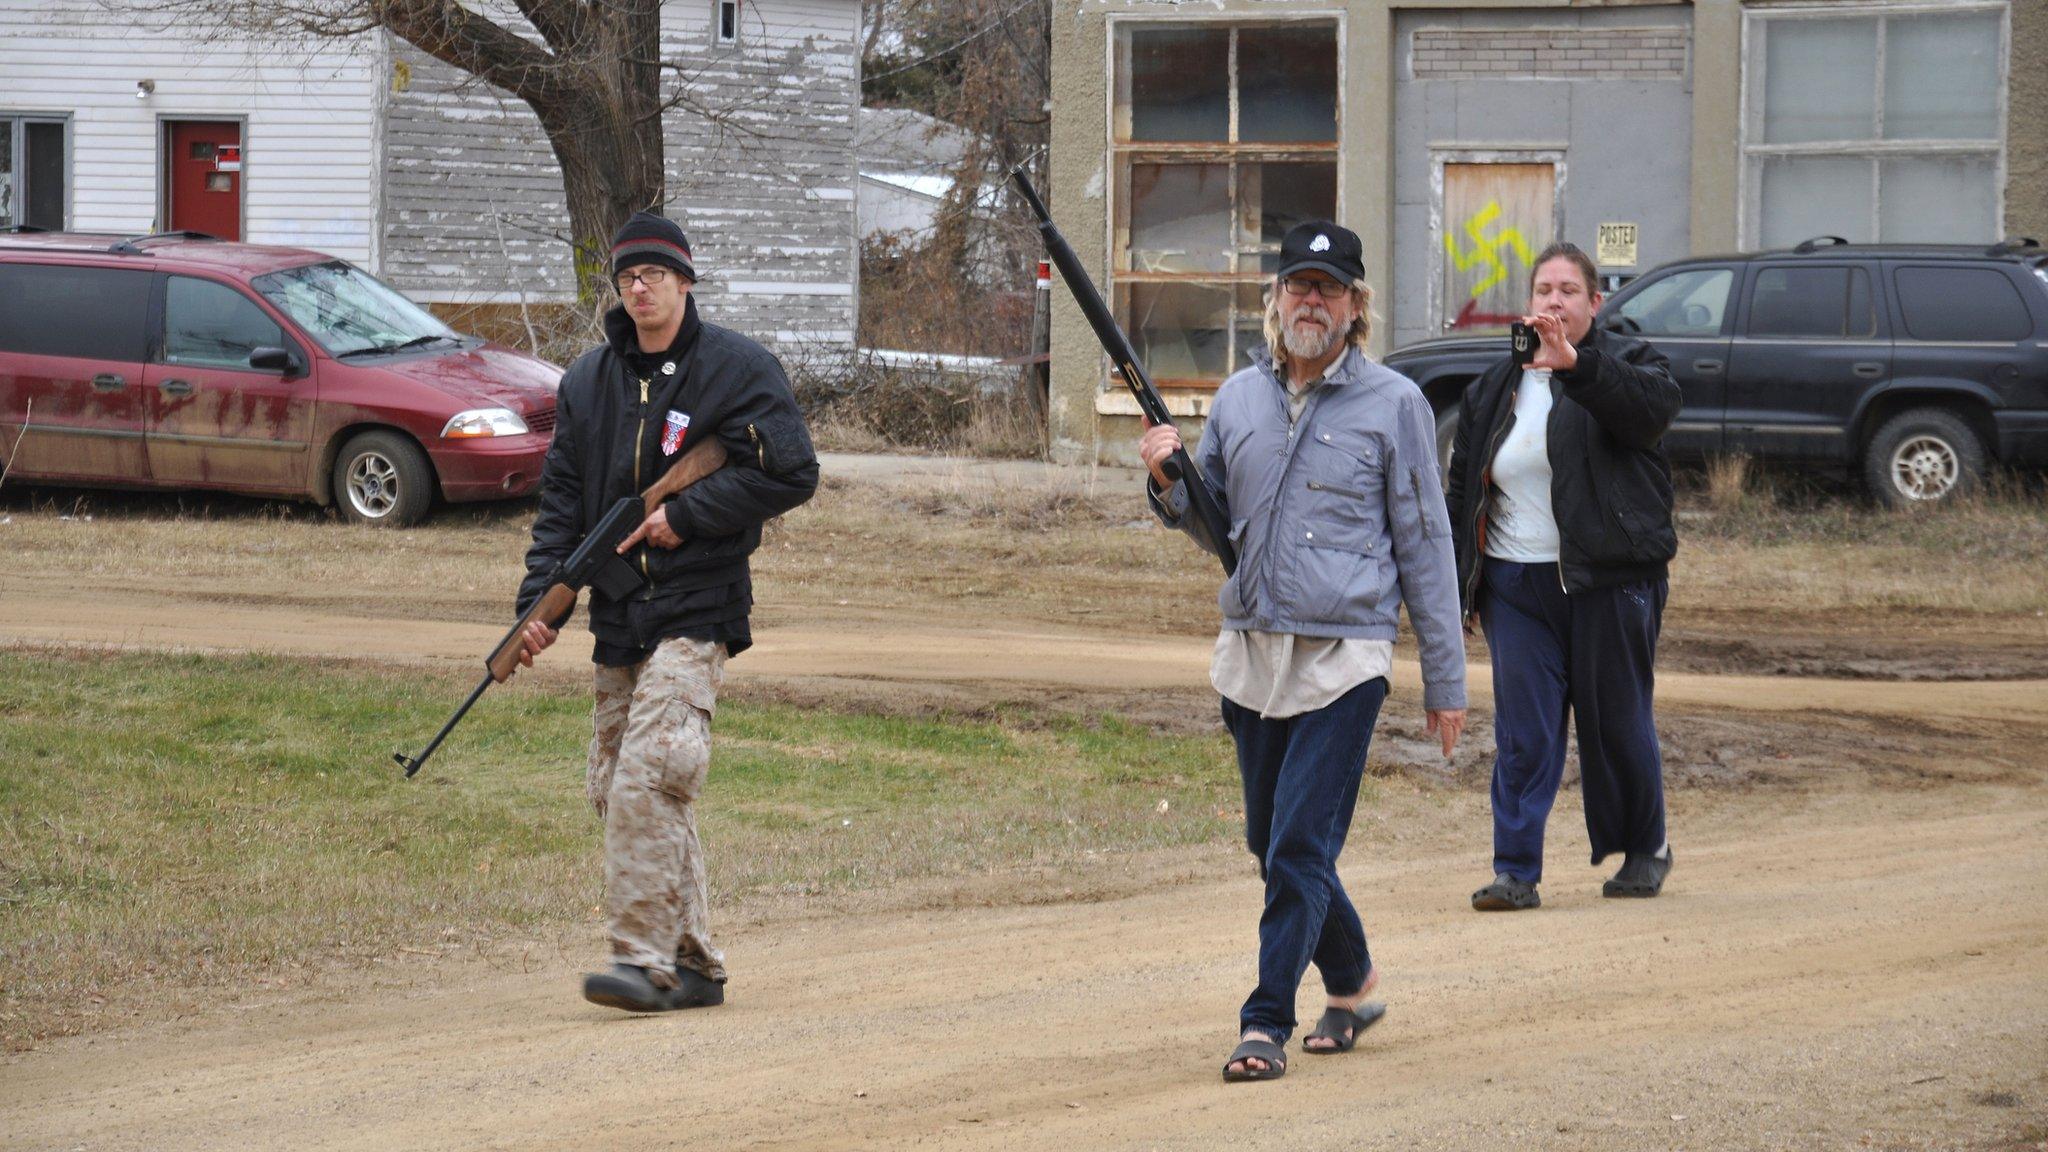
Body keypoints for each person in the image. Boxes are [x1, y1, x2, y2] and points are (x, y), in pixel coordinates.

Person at [1141, 221, 1467, 1083]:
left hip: (1345, 660)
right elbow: (1206, 524)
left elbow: (1428, 546)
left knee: (1295, 850)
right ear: (1274, 299)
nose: (1310, 300)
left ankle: (1264, 1023)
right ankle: (1355, 983)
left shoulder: (1395, 403)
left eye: (1329, 287)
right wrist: (1167, 480)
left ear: (1356, 307)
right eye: (1298, 284)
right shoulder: (1237, 399)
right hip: (1251, 652)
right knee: (1273, 840)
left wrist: (1445, 680)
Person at [514, 210, 819, 1011]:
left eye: (654, 274)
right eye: (628, 277)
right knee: (614, 784)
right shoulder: (586, 383)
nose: (640, 288)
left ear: (685, 281)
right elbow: (560, 508)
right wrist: (535, 607)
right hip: (619, 615)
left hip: (699, 603)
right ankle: (695, 964)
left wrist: (686, 515)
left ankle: (640, 960)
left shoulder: (737, 369)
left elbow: (791, 473)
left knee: (653, 773)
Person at [1444, 242, 1681, 912]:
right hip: (1517, 588)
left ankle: (1645, 848)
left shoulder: (1630, 366)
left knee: (1618, 723)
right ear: (1529, 304)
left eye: (1569, 291)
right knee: (1526, 731)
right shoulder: (1496, 387)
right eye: (1543, 290)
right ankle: (1515, 871)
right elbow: (1464, 486)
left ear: (1595, 304)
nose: (1554, 301)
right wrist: (1465, 583)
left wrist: (1576, 366)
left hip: (1609, 582)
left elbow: (1648, 413)